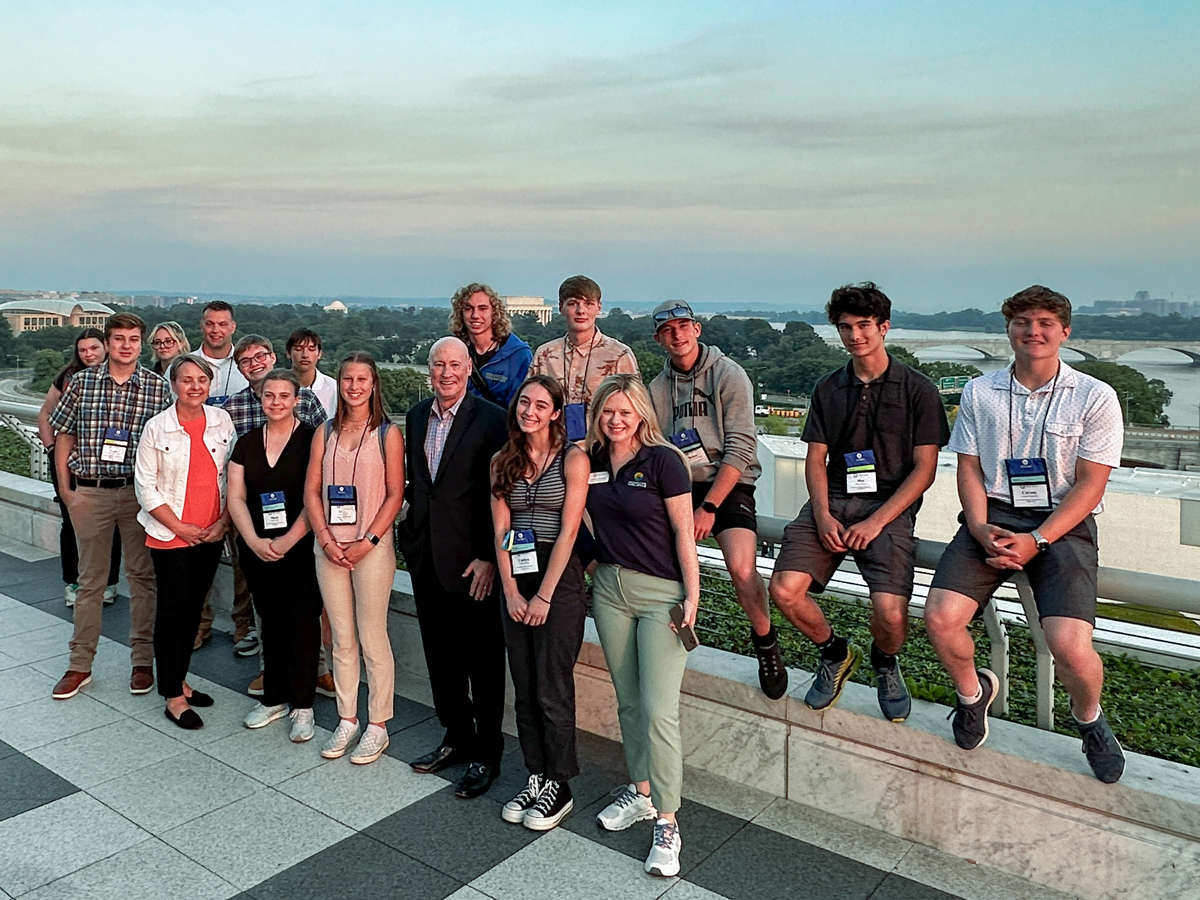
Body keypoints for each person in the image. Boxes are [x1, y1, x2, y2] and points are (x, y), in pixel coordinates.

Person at [924, 285, 1127, 783]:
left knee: (1070, 646)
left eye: (1044, 323)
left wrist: (1037, 540)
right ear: (1008, 329)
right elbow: (968, 468)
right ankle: (973, 695)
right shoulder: (980, 391)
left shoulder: (1095, 396)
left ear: (1064, 331)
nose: (1032, 332)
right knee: (941, 618)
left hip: (1062, 523)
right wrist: (977, 525)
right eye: (1022, 322)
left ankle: (1090, 720)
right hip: (991, 515)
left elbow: (1090, 484)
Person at [769, 283, 949, 720]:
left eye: (864, 325)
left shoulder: (917, 389)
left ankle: (885, 663)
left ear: (884, 327)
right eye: (845, 327)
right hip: (832, 499)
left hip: (888, 507)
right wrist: (824, 514)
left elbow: (924, 469)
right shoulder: (829, 388)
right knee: (784, 590)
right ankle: (834, 653)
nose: (855, 336)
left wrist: (877, 523)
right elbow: (816, 458)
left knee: (889, 612)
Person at [586, 374, 700, 878]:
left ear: (642, 415)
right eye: (608, 411)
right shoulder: (587, 460)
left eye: (625, 411)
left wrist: (692, 594)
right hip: (609, 591)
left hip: (662, 597)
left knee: (659, 710)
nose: (616, 420)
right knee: (629, 701)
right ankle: (642, 792)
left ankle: (669, 823)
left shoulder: (664, 462)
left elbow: (683, 530)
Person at [647, 299, 786, 700]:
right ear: (659, 339)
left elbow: (742, 448)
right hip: (680, 484)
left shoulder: (729, 374)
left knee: (742, 568)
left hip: (729, 482)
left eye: (683, 326)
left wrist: (708, 508)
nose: (677, 334)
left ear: (697, 330)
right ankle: (673, 636)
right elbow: (655, 446)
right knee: (660, 560)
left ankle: (765, 642)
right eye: (668, 330)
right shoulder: (657, 389)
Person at [397, 336, 508, 798]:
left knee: (482, 663)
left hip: (473, 563)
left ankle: (487, 754)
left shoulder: (492, 420)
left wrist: (488, 555)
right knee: (441, 658)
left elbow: (499, 495)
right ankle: (456, 737)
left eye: (455, 364)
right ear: (430, 370)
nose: (446, 372)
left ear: (468, 370)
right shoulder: (419, 415)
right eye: (438, 364)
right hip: (426, 557)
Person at [48, 313, 172, 700]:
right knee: (90, 581)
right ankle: (80, 664)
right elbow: (63, 433)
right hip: (92, 492)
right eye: (119, 338)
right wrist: (68, 492)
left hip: (138, 496)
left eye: (134, 339)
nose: (126, 346)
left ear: (141, 343)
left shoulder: (156, 388)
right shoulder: (83, 383)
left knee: (142, 579)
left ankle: (141, 661)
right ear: (108, 342)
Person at [491, 375, 589, 831]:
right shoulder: (501, 461)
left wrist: (545, 594)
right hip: (517, 568)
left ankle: (560, 781)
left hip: (558, 574)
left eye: (540, 404)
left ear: (555, 413)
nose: (529, 410)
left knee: (553, 684)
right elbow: (500, 531)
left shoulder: (573, 459)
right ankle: (535, 773)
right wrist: (511, 590)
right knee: (525, 684)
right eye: (523, 402)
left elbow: (570, 530)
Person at [304, 351, 405, 765]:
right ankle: (347, 718)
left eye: (363, 379)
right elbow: (311, 491)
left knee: (372, 637)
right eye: (347, 379)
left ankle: (377, 724)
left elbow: (396, 493)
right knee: (341, 639)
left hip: (371, 549)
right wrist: (326, 539)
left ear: (374, 383)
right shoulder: (324, 432)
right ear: (339, 383)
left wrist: (368, 540)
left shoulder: (387, 434)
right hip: (329, 548)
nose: (355, 386)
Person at [134, 355, 234, 729]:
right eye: (187, 380)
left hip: (210, 534)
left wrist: (223, 522)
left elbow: (230, 477)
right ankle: (172, 697)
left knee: (194, 611)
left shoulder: (222, 421)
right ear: (173, 384)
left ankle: (181, 680)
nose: (195, 387)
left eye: (202, 380)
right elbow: (145, 486)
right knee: (173, 613)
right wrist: (180, 527)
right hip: (171, 535)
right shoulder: (156, 428)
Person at [228, 369, 322, 742]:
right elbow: (235, 496)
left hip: (300, 548)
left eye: (284, 396)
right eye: (270, 396)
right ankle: (274, 699)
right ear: (261, 399)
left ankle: (303, 706)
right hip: (257, 548)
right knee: (270, 623)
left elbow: (316, 496)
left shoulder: (313, 441)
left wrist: (287, 540)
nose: (276, 402)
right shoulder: (247, 442)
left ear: (296, 400)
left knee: (302, 623)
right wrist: (252, 540)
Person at [38, 329, 121, 608]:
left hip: (108, 465)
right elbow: (46, 413)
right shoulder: (69, 378)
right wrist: (52, 450)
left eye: (94, 348)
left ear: (106, 347)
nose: (89, 354)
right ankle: (73, 581)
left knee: (112, 524)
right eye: (83, 350)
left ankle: (109, 582)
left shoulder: (120, 376)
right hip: (69, 463)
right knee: (71, 520)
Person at [529, 275, 640, 442]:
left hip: (603, 450)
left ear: (598, 307)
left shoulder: (619, 355)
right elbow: (529, 405)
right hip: (553, 449)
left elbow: (636, 411)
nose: (581, 311)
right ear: (561, 308)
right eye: (573, 304)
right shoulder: (545, 354)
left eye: (588, 304)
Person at [449, 282, 532, 410]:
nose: (475, 315)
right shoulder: (455, 353)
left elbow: (522, 405)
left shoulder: (518, 355)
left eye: (482, 308)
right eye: (468, 308)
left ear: (494, 313)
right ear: (460, 314)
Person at [196, 300, 249, 405]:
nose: (215, 330)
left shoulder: (249, 365)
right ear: (201, 326)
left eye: (222, 324)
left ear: (233, 327)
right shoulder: (181, 366)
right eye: (209, 324)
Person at [287, 328, 338, 417]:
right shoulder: (276, 386)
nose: (305, 355)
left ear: (319, 354)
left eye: (311, 349)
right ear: (288, 353)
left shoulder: (333, 388)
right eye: (298, 349)